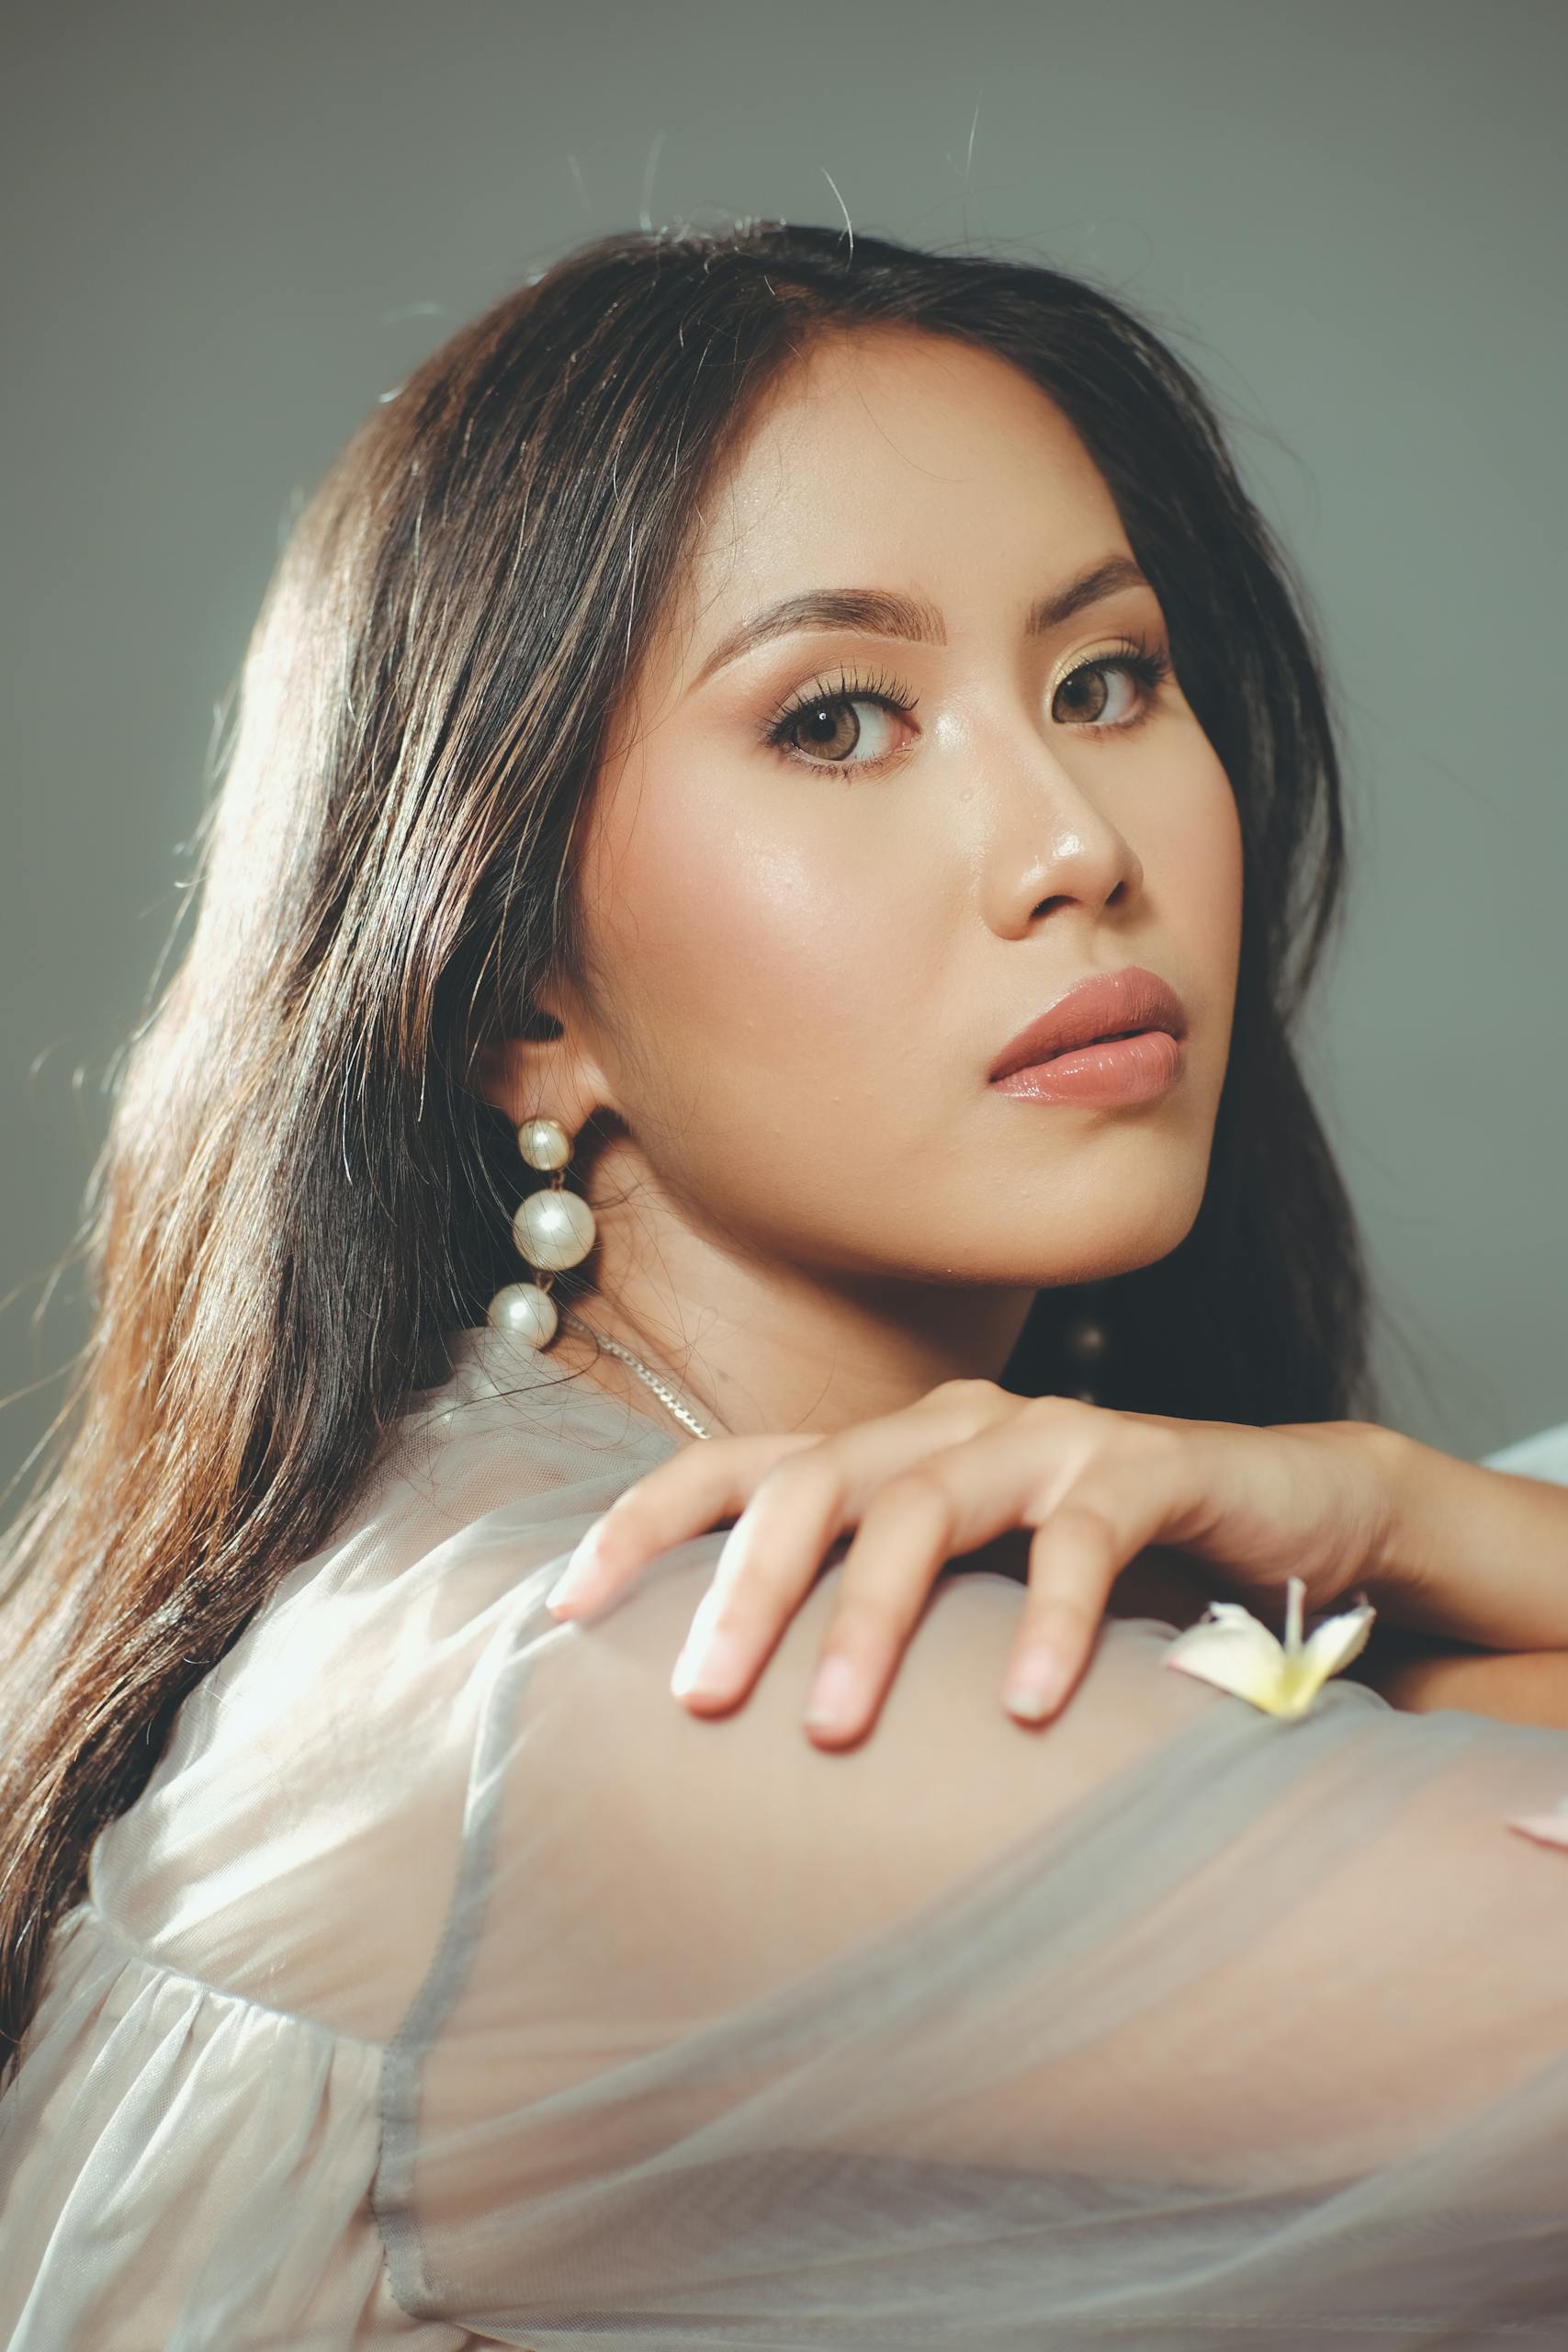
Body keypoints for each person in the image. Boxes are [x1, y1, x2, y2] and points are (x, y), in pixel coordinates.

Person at [3, 220, 1568, 2348]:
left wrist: (1401, 1517)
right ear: (518, 999)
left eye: (1103, 679)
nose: (1071, 842)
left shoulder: (550, 1568)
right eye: (836, 718)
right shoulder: (640, 1681)